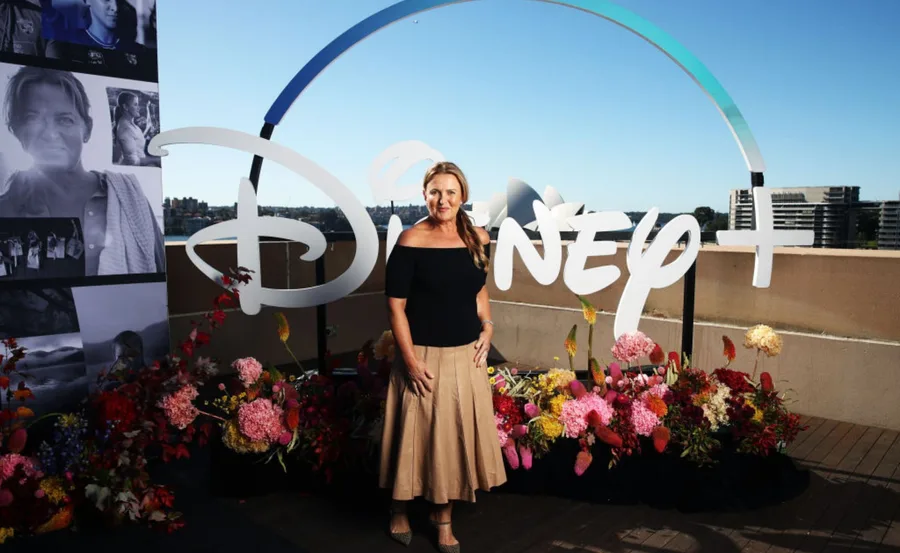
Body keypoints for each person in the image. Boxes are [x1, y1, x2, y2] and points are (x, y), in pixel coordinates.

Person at [379, 161, 507, 553]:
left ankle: (443, 519)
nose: (443, 199)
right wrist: (411, 361)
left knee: (451, 441)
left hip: (466, 354)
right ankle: (399, 511)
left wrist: (488, 327)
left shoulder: (479, 238)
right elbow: (395, 308)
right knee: (412, 439)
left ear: (463, 196)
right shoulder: (410, 241)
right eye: (435, 192)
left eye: (451, 192)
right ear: (425, 196)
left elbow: (478, 291)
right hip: (421, 355)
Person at [0, 65, 165, 276]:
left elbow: (159, 271)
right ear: (16, 130)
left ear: (87, 129)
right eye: (32, 118)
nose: (50, 134)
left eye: (64, 120)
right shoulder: (6, 210)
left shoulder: (129, 198)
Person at [112, 91, 158, 166]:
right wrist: (156, 160)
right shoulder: (125, 129)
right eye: (135, 105)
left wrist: (148, 109)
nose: (138, 108)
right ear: (125, 107)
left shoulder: (131, 125)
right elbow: (133, 162)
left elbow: (136, 139)